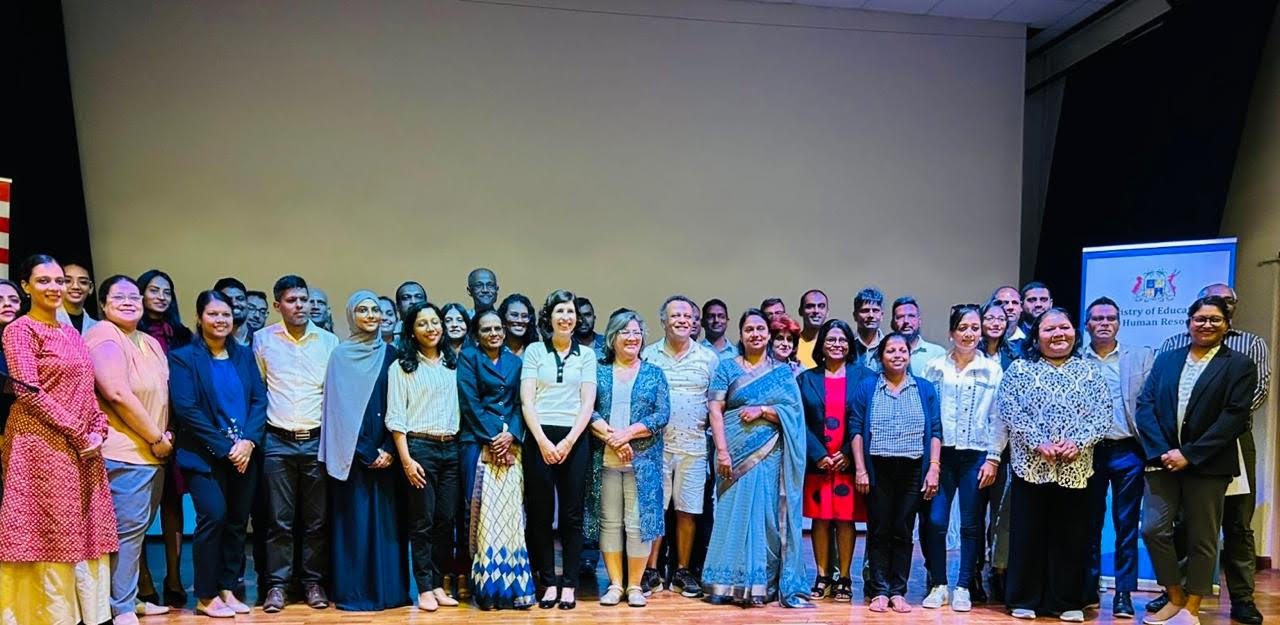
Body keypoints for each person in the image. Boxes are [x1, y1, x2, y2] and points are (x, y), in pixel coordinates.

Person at [0, 255, 117, 625]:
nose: (54, 288)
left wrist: (98, 428)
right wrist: (80, 433)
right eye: (44, 281)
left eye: (59, 281)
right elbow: (28, 392)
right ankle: (49, 616)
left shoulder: (70, 332)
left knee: (85, 527)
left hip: (81, 448)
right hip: (38, 445)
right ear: (26, 286)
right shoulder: (20, 330)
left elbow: (86, 388)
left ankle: (87, 615)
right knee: (47, 528)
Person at [1149, 283, 1270, 625]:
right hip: (1168, 454)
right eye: (1200, 318)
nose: (1208, 323)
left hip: (1221, 449)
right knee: (1159, 528)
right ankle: (1175, 594)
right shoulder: (1169, 352)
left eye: (1218, 315)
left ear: (1229, 318)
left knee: (1231, 526)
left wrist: (1193, 451)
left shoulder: (1246, 353)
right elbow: (1149, 401)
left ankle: (1232, 600)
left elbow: (1242, 407)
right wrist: (1165, 450)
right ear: (1189, 320)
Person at [997, 308, 1111, 622]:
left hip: (1075, 467)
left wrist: (1078, 442)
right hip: (1031, 466)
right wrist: (1038, 442)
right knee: (1028, 533)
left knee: (1072, 535)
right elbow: (1009, 408)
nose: (1058, 334)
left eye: (1064, 327)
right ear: (1036, 336)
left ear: (1075, 332)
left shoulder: (1090, 371)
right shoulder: (1020, 369)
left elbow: (1103, 414)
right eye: (1049, 329)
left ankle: (1068, 601)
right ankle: (1024, 598)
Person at [702, 308, 810, 608]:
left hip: (770, 455)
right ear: (741, 334)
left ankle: (763, 583)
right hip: (733, 454)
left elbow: (794, 415)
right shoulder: (726, 367)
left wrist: (763, 410)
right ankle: (727, 583)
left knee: (767, 518)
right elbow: (715, 409)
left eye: (761, 329)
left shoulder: (782, 372)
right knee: (731, 515)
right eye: (749, 329)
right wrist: (722, 451)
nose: (755, 334)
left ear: (768, 334)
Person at [169, 290, 267, 618]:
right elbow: (187, 409)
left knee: (237, 523)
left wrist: (248, 442)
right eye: (213, 314)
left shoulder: (244, 355)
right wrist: (227, 449)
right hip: (205, 456)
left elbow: (259, 400)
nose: (220, 320)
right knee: (214, 516)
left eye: (225, 314)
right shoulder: (184, 357)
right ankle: (206, 594)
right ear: (199, 318)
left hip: (244, 455)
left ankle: (227, 587)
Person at [85, 275, 174, 624]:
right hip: (125, 452)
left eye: (134, 297)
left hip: (152, 453)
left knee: (137, 530)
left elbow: (162, 394)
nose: (128, 302)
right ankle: (119, 607)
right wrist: (155, 437)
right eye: (118, 297)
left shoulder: (148, 341)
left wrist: (165, 435)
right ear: (103, 304)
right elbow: (117, 393)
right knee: (126, 532)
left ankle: (129, 597)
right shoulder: (104, 335)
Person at [253, 275, 339, 613]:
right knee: (279, 521)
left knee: (316, 521)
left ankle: (313, 582)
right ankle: (277, 586)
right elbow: (259, 389)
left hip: (317, 441)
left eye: (304, 299)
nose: (300, 306)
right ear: (278, 305)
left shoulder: (328, 342)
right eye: (292, 300)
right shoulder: (263, 340)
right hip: (278, 441)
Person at [319, 291, 410, 611]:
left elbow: (401, 403)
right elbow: (337, 410)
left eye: (375, 310)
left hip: (389, 454)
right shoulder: (340, 356)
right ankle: (354, 593)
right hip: (353, 455)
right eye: (362, 310)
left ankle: (391, 592)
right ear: (351, 316)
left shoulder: (393, 354)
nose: (371, 315)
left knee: (388, 526)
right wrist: (366, 451)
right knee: (354, 526)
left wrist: (388, 448)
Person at [918, 305, 1005, 613]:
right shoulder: (934, 367)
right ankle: (939, 584)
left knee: (971, 524)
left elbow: (998, 417)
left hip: (976, 455)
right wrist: (930, 461)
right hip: (941, 455)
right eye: (962, 328)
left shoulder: (992, 369)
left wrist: (993, 458)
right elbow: (927, 415)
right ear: (951, 333)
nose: (969, 334)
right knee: (936, 521)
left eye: (974, 328)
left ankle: (964, 586)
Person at [583, 310, 670, 608]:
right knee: (609, 523)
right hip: (604, 460)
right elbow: (587, 409)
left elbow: (662, 414)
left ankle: (634, 586)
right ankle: (615, 584)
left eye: (637, 332)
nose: (632, 338)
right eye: (625, 332)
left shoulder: (654, 373)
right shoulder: (598, 371)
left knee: (637, 524)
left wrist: (628, 434)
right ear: (612, 338)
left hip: (642, 462)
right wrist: (612, 438)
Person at [850, 332, 942, 614]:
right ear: (881, 356)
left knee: (903, 529)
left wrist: (934, 468)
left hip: (913, 468)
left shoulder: (924, 388)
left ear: (909, 355)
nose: (897, 355)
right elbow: (856, 429)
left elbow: (935, 431)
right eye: (891, 350)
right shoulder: (868, 387)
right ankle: (879, 590)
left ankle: (898, 591)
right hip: (878, 468)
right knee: (879, 529)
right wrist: (861, 469)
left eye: (902, 350)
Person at [521, 290, 597, 610]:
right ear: (549, 317)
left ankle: (569, 584)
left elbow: (587, 403)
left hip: (574, 438)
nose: (566, 317)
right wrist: (542, 441)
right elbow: (527, 400)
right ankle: (549, 582)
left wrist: (568, 441)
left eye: (571, 312)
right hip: (539, 437)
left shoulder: (587, 355)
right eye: (560, 311)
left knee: (571, 515)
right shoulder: (535, 351)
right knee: (539, 514)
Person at [640, 295, 719, 597]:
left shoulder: (708, 358)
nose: (682, 320)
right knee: (656, 509)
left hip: (694, 447)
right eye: (676, 316)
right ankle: (651, 569)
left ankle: (682, 571)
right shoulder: (649, 355)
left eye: (687, 316)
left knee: (688, 510)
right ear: (664, 321)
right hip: (655, 447)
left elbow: (716, 404)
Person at [1080, 297, 1153, 619]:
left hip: (1128, 450)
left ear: (1119, 323)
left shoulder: (1140, 357)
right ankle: (1089, 588)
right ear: (1087, 325)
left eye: (1110, 318)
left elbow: (1150, 403)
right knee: (1089, 523)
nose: (1104, 323)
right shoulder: (1077, 359)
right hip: (1089, 452)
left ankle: (1123, 593)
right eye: (1098, 319)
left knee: (1126, 525)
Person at [386, 302, 462, 612]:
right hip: (420, 449)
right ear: (412, 331)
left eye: (435, 322)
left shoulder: (453, 363)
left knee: (446, 520)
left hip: (452, 449)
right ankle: (425, 588)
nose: (431, 328)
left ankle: (438, 583)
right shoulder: (401, 367)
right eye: (422, 323)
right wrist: (406, 460)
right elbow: (395, 417)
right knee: (422, 522)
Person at [457, 309, 535, 610]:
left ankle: (515, 588)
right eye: (486, 329)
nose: (494, 334)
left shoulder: (516, 362)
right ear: (476, 335)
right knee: (485, 518)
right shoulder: (468, 358)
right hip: (478, 443)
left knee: (511, 516)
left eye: (498, 328)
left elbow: (520, 403)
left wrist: (511, 435)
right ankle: (488, 591)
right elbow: (470, 403)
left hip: (511, 446)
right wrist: (494, 437)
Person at [799, 319, 870, 603]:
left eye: (842, 340)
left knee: (845, 519)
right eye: (830, 339)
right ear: (821, 345)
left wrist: (847, 453)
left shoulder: (865, 377)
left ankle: (845, 578)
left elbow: (866, 420)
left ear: (850, 344)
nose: (836, 345)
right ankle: (822, 576)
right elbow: (799, 421)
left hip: (848, 462)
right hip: (818, 463)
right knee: (820, 518)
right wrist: (818, 454)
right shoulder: (807, 378)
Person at [134, 268, 192, 608]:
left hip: (176, 428)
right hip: (139, 429)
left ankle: (174, 577)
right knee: (138, 509)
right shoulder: (129, 333)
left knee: (173, 502)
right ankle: (142, 579)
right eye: (153, 290)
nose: (160, 297)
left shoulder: (183, 335)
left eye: (166, 292)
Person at [0, 279, 22, 510]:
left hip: (20, 436)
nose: (7, 304)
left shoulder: (25, 340)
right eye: (0, 300)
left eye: (13, 299)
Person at [885, 296, 946, 373]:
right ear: (893, 323)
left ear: (919, 321)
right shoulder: (883, 353)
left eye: (911, 316)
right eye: (900, 317)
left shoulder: (937, 353)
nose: (906, 321)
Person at [59, 261, 99, 334]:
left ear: (91, 288)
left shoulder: (97, 327)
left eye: (83, 282)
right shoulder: (46, 321)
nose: (75, 286)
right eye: (67, 281)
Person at [980, 300, 1020, 370]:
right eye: (990, 318)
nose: (996, 323)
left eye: (1001, 319)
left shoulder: (1014, 352)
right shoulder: (971, 352)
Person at [795, 290, 829, 370]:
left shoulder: (834, 345)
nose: (816, 311)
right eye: (810, 306)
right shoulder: (791, 344)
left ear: (827, 312)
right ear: (800, 311)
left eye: (821, 306)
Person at [213, 277, 251, 346]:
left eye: (240, 298)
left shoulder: (261, 338)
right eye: (228, 300)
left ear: (247, 302)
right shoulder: (207, 342)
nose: (234, 303)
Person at [851, 287, 885, 363]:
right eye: (865, 310)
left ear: (882, 315)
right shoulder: (847, 347)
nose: (871, 315)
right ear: (855, 316)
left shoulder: (889, 346)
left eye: (875, 310)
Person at [498, 293, 538, 357]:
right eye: (514, 315)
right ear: (503, 318)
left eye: (524, 316)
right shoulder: (494, 349)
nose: (520, 320)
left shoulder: (536, 350)